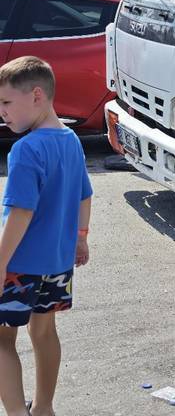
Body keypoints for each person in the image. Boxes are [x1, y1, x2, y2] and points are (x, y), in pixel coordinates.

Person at [0, 56, 92, 416]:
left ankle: (17, 413)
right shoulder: (71, 140)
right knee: (44, 332)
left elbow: (22, 213)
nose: (2, 112)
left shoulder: (26, 149)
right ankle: (44, 408)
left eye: (6, 102)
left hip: (19, 266)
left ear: (36, 95)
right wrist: (81, 238)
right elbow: (85, 195)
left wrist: (1, 262)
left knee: (3, 339)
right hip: (56, 264)